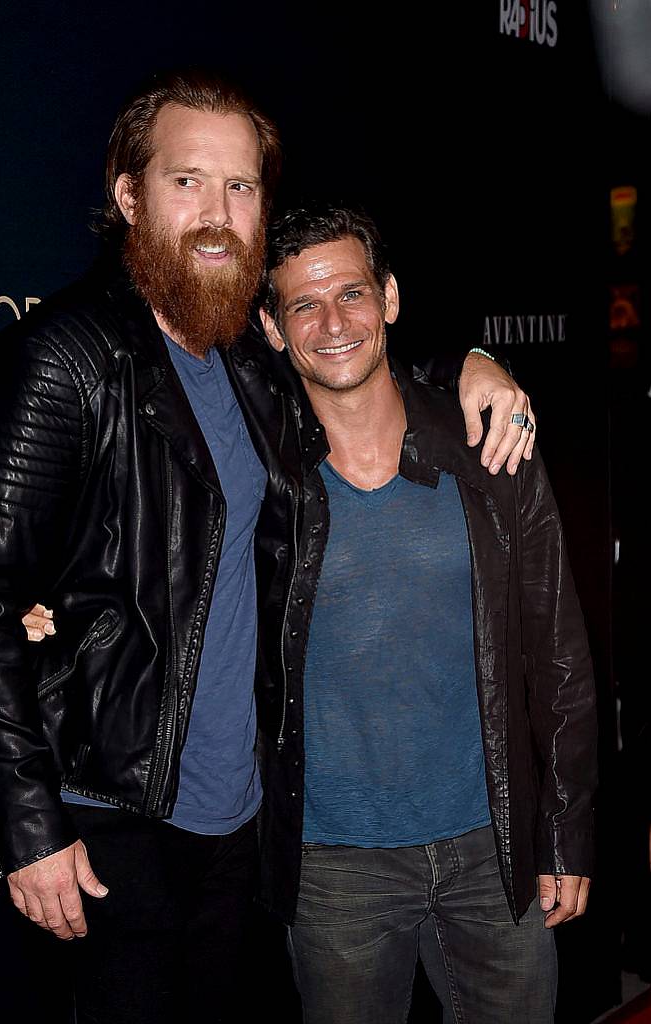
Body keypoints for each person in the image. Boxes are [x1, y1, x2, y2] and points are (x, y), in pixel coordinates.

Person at [0, 70, 535, 1024]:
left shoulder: (246, 359)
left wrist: (467, 360)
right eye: (187, 183)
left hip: (242, 826)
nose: (217, 215)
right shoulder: (66, 356)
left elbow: (346, 356)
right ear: (128, 194)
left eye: (240, 187)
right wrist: (28, 829)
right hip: (114, 820)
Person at [251, 204, 597, 1024]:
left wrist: (566, 833)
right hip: (335, 869)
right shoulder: (259, 478)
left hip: (493, 849)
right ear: (271, 328)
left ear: (391, 299)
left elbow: (559, 658)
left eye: (353, 293)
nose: (333, 322)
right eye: (303, 304)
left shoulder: (490, 449)